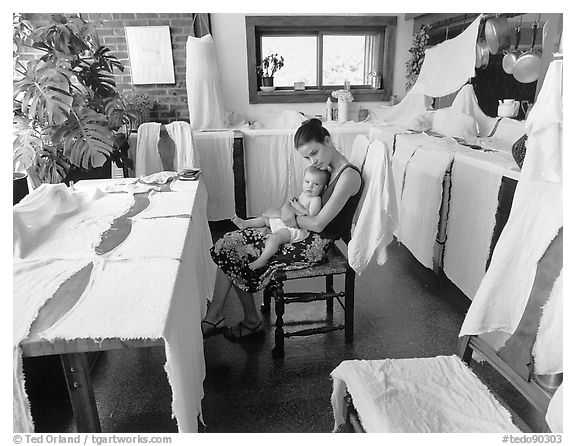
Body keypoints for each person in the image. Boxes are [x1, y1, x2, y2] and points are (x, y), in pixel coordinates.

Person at [201, 118, 363, 340]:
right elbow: (306, 202)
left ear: (327, 140)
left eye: (314, 153)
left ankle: (241, 320)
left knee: (235, 253)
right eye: (306, 157)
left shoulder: (348, 176)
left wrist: (289, 216)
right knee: (228, 241)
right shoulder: (328, 168)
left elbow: (318, 224)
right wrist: (287, 212)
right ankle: (219, 316)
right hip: (300, 233)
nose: (312, 161)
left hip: (314, 244)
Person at [230, 165, 330, 271]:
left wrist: (298, 207)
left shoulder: (316, 199)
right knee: (265, 219)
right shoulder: (304, 194)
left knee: (275, 238)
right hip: (289, 221)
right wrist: (292, 205)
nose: (310, 186)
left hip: (296, 229)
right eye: (307, 182)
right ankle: (245, 224)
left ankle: (263, 259)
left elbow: (312, 217)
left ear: (324, 188)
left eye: (316, 184)